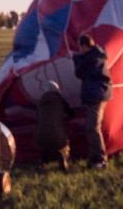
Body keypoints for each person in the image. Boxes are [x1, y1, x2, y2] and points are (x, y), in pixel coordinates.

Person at [73, 34, 112, 169]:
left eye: (80, 48)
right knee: (92, 128)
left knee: (93, 128)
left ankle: (101, 161)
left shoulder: (93, 58)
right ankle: (94, 159)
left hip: (96, 96)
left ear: (84, 46)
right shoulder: (97, 55)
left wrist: (74, 58)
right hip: (97, 96)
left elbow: (79, 72)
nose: (79, 50)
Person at [33, 80, 74, 171]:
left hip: (39, 135)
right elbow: (71, 114)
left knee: (45, 146)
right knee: (63, 144)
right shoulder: (60, 100)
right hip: (57, 134)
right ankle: (63, 155)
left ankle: (44, 161)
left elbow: (38, 117)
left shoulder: (40, 102)